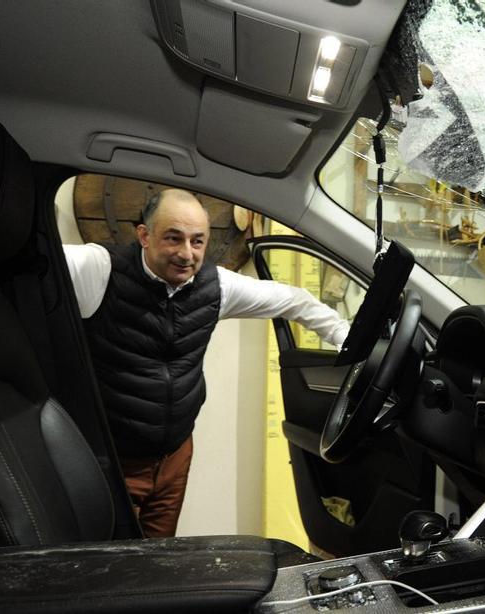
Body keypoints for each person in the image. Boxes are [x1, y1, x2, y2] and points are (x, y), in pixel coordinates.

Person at [62, 188, 349, 537]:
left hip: (173, 458)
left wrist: (350, 344)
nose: (187, 254)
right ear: (144, 235)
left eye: (198, 242)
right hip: (110, 460)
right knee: (108, 566)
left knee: (159, 560)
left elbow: (294, 301)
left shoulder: (216, 287)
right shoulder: (100, 269)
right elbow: (34, 262)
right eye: (173, 238)